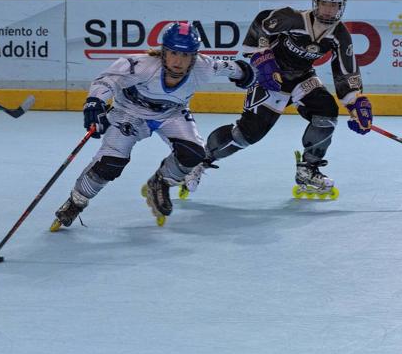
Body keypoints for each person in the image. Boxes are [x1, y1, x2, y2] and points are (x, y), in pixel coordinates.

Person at [50, 22, 256, 230]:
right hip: (128, 114)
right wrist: (95, 102)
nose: (178, 61)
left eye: (185, 56)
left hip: (171, 114)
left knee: (194, 154)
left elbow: (227, 67)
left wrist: (245, 73)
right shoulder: (141, 65)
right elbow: (107, 79)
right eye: (174, 53)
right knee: (110, 163)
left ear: (194, 57)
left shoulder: (203, 67)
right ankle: (76, 202)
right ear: (164, 52)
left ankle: (161, 181)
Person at [184, 0, 373, 198]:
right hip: (271, 78)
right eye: (324, 3)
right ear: (315, 2)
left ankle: (308, 169)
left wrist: (356, 102)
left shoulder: (340, 35)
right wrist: (262, 55)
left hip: (302, 78)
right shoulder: (292, 18)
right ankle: (200, 159)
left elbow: (345, 71)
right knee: (246, 135)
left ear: (341, 6)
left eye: (334, 5)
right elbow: (262, 24)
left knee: (327, 110)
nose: (328, 10)